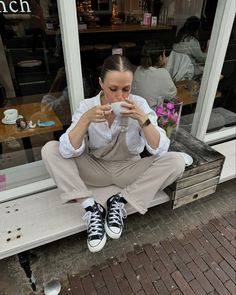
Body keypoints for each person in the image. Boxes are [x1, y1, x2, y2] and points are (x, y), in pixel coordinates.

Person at [41, 55, 185, 253]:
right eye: (113, 89)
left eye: (126, 89)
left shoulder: (140, 105)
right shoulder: (87, 107)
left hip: (129, 169)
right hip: (95, 168)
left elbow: (159, 149)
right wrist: (85, 121)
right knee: (50, 149)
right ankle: (91, 208)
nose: (120, 97)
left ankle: (119, 201)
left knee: (177, 162)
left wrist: (143, 119)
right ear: (101, 83)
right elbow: (66, 151)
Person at [132, 42, 177, 109]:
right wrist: (163, 67)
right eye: (164, 55)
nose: (166, 57)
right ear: (160, 57)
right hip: (152, 115)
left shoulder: (138, 69)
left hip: (137, 110)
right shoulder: (162, 73)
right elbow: (172, 94)